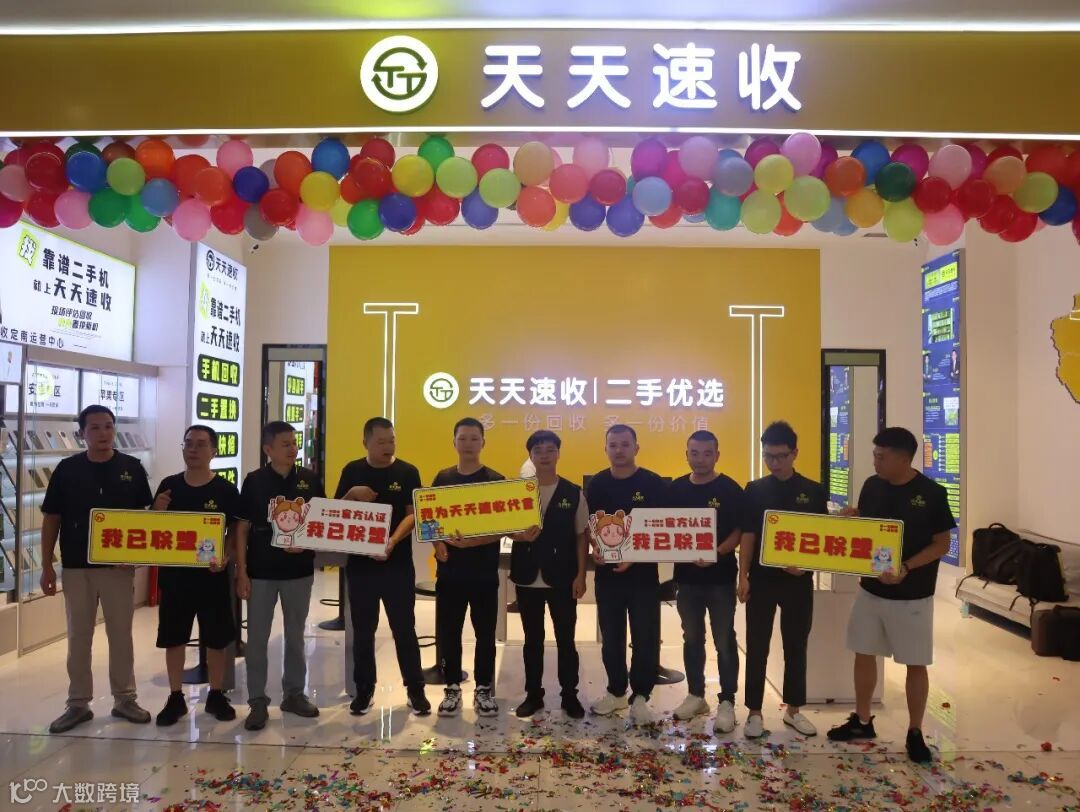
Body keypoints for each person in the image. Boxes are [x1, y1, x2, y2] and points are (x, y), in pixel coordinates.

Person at [827, 427, 955, 763]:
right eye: (875, 455)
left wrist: (907, 567)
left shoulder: (931, 493)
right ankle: (862, 720)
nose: (875, 462)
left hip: (913, 595)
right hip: (870, 589)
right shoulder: (872, 485)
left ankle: (915, 731)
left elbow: (942, 544)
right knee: (864, 652)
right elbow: (870, 527)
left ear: (903, 458)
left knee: (915, 662)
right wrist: (853, 518)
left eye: (881, 457)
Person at [40, 405, 154, 734]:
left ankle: (125, 699)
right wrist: (46, 565)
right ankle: (78, 703)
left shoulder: (132, 468)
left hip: (118, 568)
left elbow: (142, 519)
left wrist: (135, 555)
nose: (103, 433)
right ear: (82, 434)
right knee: (79, 635)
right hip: (77, 567)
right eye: (95, 428)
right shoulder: (67, 470)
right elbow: (52, 518)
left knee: (121, 635)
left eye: (108, 426)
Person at [335, 417, 430, 717]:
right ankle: (364, 689)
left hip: (396, 564)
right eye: (381, 442)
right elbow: (335, 513)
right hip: (361, 566)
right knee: (363, 630)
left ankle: (415, 689)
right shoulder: (352, 471)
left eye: (392, 440)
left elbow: (412, 514)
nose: (388, 446)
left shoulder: (407, 471)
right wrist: (352, 494)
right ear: (365, 443)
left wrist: (392, 541)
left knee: (404, 628)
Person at [738, 421, 826, 739]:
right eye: (768, 456)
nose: (774, 463)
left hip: (797, 583)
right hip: (761, 580)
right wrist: (743, 575)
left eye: (780, 456)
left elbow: (821, 538)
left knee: (796, 645)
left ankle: (793, 711)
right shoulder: (755, 490)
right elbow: (748, 535)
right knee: (756, 645)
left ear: (794, 453)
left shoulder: (813, 491)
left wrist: (806, 567)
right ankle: (754, 712)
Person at [235, 421, 324, 731]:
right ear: (268, 449)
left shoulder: (309, 479)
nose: (292, 448)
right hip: (261, 571)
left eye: (294, 443)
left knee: (296, 636)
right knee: (257, 639)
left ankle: (294, 694)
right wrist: (242, 571)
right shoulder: (255, 481)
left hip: (298, 572)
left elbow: (321, 522)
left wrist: (308, 543)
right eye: (285, 444)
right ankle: (257, 700)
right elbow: (242, 528)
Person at [153, 425, 242, 726]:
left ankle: (215, 694)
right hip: (175, 578)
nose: (193, 449)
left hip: (211, 577)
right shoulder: (169, 486)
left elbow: (233, 530)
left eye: (201, 444)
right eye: (188, 443)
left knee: (216, 639)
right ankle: (175, 696)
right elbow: (153, 530)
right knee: (174, 637)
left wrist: (226, 556)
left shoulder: (226, 490)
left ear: (214, 451)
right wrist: (157, 510)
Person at [585, 424, 667, 725]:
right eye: (613, 445)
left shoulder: (653, 483)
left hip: (643, 577)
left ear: (636, 448)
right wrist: (596, 547)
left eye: (624, 444)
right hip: (608, 576)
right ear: (605, 448)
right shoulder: (597, 484)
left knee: (645, 637)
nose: (618, 450)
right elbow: (590, 526)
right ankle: (616, 691)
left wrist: (633, 557)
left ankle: (641, 697)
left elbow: (661, 527)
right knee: (611, 638)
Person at [669, 431, 744, 733]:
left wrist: (719, 551)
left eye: (707, 453)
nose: (700, 459)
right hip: (686, 579)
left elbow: (740, 529)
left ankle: (727, 701)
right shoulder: (676, 488)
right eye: (695, 453)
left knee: (724, 639)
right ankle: (696, 695)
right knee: (691, 638)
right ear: (686, 454)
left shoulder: (729, 489)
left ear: (717, 455)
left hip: (720, 579)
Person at [510, 430, 588, 719]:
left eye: (550, 449)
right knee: (532, 640)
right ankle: (533, 695)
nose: (544, 455)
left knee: (566, 639)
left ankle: (570, 695)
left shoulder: (573, 492)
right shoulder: (517, 492)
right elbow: (504, 528)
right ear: (530, 455)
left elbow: (581, 535)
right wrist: (518, 536)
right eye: (538, 450)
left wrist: (581, 575)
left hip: (563, 576)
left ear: (558, 453)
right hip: (527, 575)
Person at [431, 417, 505, 719]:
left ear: (483, 442)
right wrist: (438, 544)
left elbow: (503, 526)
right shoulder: (443, 478)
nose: (468, 444)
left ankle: (484, 689)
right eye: (462, 438)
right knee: (450, 632)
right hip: (450, 573)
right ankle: (452, 688)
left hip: (484, 572)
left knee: (485, 634)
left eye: (474, 438)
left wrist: (471, 543)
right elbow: (430, 520)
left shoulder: (495, 480)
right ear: (454, 442)